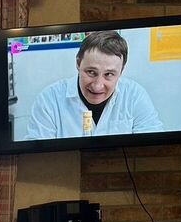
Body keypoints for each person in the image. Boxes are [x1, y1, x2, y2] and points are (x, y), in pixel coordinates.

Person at [24, 31, 163, 140]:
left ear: (121, 71)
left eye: (109, 74)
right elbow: (38, 155)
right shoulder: (49, 100)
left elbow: (153, 145)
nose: (97, 86)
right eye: (91, 72)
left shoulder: (135, 96)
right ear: (78, 63)